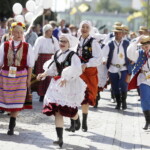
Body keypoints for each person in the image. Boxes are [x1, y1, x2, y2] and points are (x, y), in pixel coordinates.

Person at [37, 34, 86, 148]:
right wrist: (43, 74)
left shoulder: (72, 55)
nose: (62, 43)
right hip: (57, 85)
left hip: (69, 85)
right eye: (60, 40)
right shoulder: (57, 54)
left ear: (69, 44)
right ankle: (60, 138)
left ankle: (76, 118)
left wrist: (66, 77)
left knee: (69, 110)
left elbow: (77, 70)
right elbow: (52, 68)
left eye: (65, 41)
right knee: (57, 111)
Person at [66, 20, 102, 132]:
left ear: (90, 29)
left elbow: (99, 58)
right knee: (73, 95)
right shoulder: (77, 41)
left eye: (87, 27)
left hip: (88, 73)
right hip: (77, 73)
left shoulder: (93, 42)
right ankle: (74, 123)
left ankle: (84, 122)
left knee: (85, 97)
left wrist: (87, 64)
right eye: (83, 27)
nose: (84, 29)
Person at [0, 22, 34, 135]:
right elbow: (0, 62)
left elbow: (30, 65)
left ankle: (11, 125)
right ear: (11, 33)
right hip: (5, 77)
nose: (19, 34)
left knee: (17, 100)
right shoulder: (4, 45)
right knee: (2, 99)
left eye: (21, 32)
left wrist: (28, 80)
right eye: (16, 32)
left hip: (20, 77)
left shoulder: (27, 46)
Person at [102, 25, 132, 110]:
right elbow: (104, 54)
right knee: (114, 86)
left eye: (119, 33)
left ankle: (124, 101)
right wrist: (104, 59)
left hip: (124, 67)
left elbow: (132, 52)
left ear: (123, 34)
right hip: (113, 67)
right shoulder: (110, 43)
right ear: (114, 33)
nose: (118, 34)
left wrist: (132, 58)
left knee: (123, 84)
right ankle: (118, 103)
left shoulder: (127, 43)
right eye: (116, 33)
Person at [127, 35, 150, 130]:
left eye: (147, 45)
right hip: (144, 78)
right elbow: (129, 53)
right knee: (144, 99)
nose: (145, 48)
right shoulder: (140, 53)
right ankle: (147, 120)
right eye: (143, 46)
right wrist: (136, 41)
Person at [33, 24, 59, 102]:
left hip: (51, 59)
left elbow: (57, 50)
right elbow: (35, 50)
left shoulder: (54, 40)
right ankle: (41, 95)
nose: (50, 32)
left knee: (49, 77)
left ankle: (49, 94)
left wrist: (57, 60)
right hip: (41, 59)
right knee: (41, 76)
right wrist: (33, 61)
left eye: (51, 31)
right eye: (49, 31)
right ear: (45, 31)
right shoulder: (40, 39)